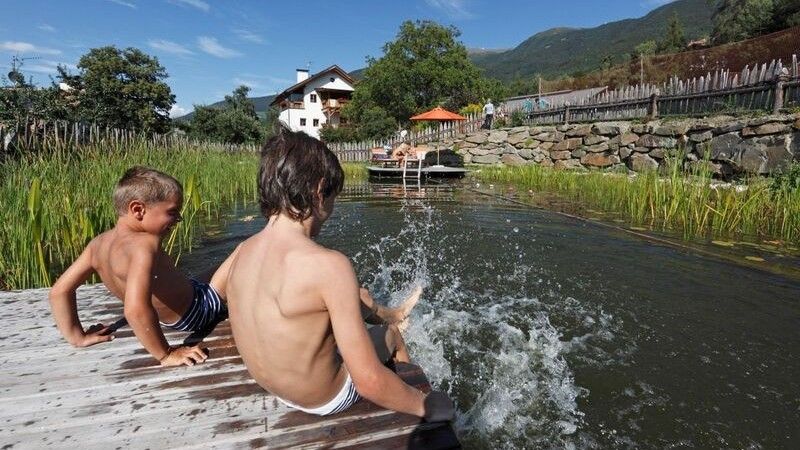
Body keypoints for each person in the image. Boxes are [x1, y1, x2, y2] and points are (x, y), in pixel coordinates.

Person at [49, 166, 415, 368]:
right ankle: (386, 314)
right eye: (172, 213)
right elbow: (134, 308)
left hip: (191, 296)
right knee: (249, 249)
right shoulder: (144, 245)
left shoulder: (98, 244)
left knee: (230, 261)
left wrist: (77, 336)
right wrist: (166, 354)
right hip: (197, 311)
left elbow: (60, 290)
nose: (177, 220)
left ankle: (370, 305)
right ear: (137, 210)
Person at [225, 129, 455, 421]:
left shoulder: (243, 250)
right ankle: (417, 403)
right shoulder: (329, 265)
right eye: (333, 198)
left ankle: (392, 313)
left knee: (348, 297)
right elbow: (368, 382)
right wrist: (428, 405)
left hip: (274, 386)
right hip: (323, 398)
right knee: (392, 335)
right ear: (320, 191)